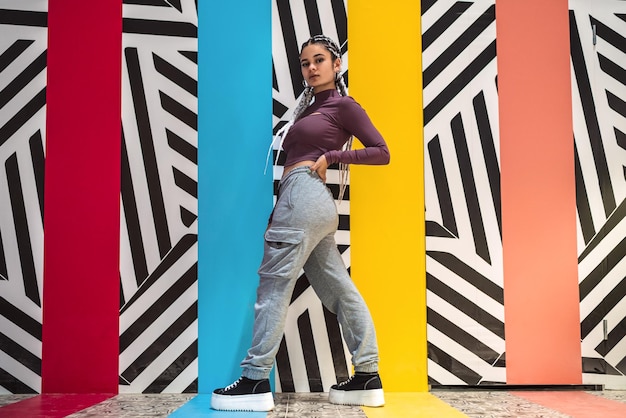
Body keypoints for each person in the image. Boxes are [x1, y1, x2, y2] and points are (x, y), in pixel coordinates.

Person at [211, 35, 390, 412]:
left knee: (274, 288)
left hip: (305, 195)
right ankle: (367, 376)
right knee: (340, 290)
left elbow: (381, 152)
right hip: (308, 201)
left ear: (336, 65)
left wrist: (333, 156)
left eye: (319, 60)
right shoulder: (308, 109)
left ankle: (256, 380)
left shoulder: (343, 105)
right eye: (305, 62)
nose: (311, 68)